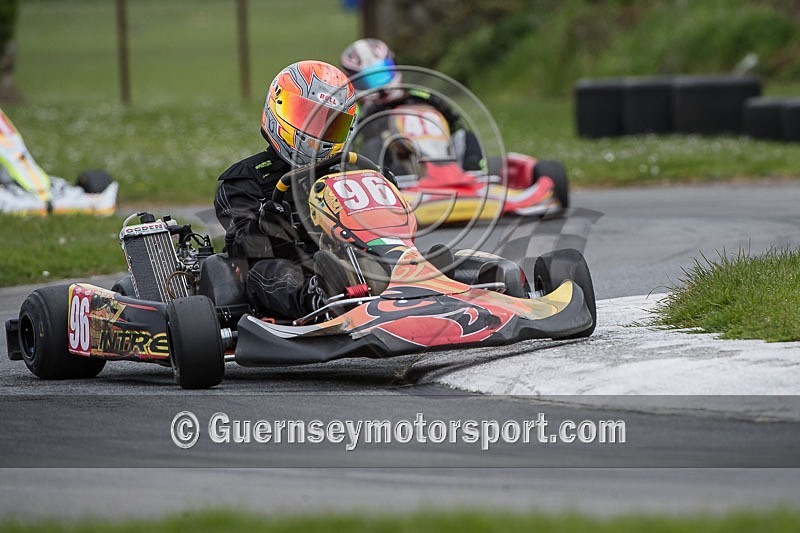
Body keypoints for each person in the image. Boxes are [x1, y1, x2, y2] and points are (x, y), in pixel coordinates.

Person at [214, 60, 356, 321]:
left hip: (346, 261)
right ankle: (319, 300)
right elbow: (240, 248)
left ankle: (421, 285)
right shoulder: (245, 178)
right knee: (265, 271)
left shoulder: (349, 172)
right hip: (291, 269)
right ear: (277, 107)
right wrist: (266, 224)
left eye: (329, 124)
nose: (316, 133)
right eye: (306, 117)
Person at [340, 38, 483, 171]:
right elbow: (348, 146)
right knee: (374, 145)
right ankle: (388, 178)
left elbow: (454, 121)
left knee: (465, 135)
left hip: (439, 151)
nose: (380, 84)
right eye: (370, 79)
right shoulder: (355, 111)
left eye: (383, 73)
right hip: (393, 167)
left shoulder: (420, 95)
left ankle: (473, 171)